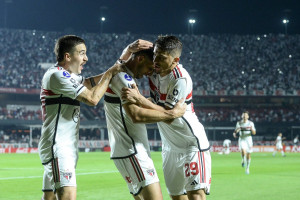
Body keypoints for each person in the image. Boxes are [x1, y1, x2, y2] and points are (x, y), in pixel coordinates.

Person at [122, 36, 211, 200]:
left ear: (175, 60)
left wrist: (140, 99)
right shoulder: (154, 73)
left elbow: (168, 116)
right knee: (176, 196)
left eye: (161, 57)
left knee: (195, 196)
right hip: (169, 147)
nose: (155, 60)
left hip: (191, 144)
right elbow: (125, 68)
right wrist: (128, 50)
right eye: (155, 54)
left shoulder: (180, 78)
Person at [38, 35, 123, 200]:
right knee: (68, 196)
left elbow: (88, 83)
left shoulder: (67, 75)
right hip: (57, 147)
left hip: (65, 146)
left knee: (49, 197)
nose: (86, 58)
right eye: (82, 53)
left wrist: (118, 65)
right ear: (68, 56)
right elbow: (92, 98)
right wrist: (111, 73)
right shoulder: (57, 75)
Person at [104, 39, 187, 200]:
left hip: (128, 150)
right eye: (150, 67)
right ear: (140, 58)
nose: (151, 72)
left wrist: (145, 101)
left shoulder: (122, 74)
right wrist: (171, 114)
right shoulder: (123, 78)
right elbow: (136, 115)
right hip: (132, 150)